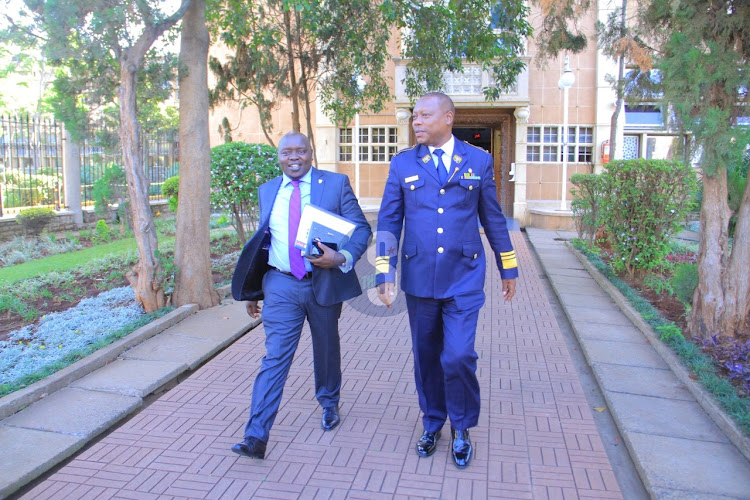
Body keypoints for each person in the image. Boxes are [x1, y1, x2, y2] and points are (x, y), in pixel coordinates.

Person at [375, 92, 518, 469]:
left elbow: (493, 218)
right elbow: (389, 221)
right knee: (426, 357)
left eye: (424, 115)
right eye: (414, 116)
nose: (416, 122)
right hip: (420, 278)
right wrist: (383, 271)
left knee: (457, 355)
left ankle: (462, 426)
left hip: (465, 276)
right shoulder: (403, 163)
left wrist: (509, 267)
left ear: (448, 118)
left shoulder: (478, 160)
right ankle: (433, 422)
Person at [231, 131, 372, 460]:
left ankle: (329, 402)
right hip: (280, 284)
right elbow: (266, 240)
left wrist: (341, 258)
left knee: (326, 347)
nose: (294, 157)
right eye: (286, 152)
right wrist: (254, 288)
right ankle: (256, 435)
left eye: (301, 151)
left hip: (322, 282)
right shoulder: (268, 190)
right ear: (278, 156)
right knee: (275, 356)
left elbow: (361, 228)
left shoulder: (335, 185)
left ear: (311, 154)